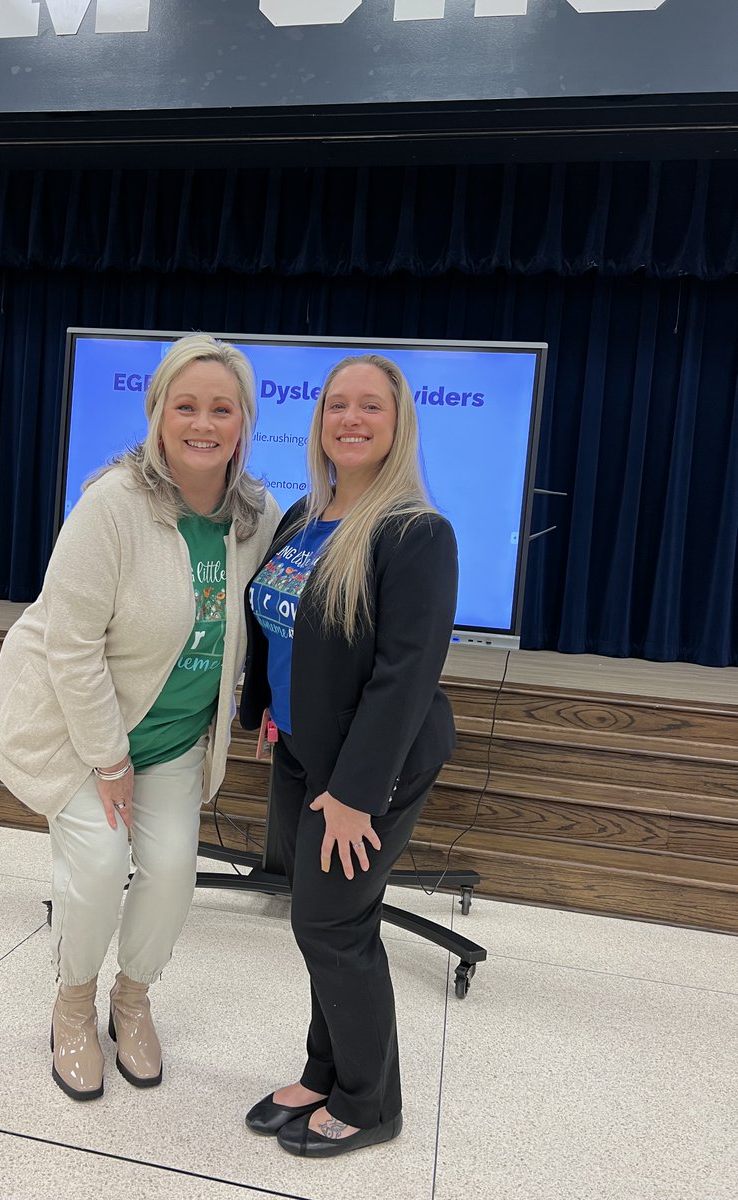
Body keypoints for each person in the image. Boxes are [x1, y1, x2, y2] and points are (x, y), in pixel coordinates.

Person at [0, 333, 280, 1101]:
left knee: (174, 872)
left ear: (244, 422)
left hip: (177, 738)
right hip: (84, 735)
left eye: (222, 407)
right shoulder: (111, 505)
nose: (203, 422)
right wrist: (110, 761)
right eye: (185, 405)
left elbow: (260, 623)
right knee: (96, 868)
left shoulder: (255, 514)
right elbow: (71, 643)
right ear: (157, 414)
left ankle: (133, 999)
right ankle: (73, 1006)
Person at [240, 353, 458, 1157]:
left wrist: (357, 792)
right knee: (319, 923)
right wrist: (270, 715)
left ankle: (371, 1102)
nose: (351, 418)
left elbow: (405, 676)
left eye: (371, 405)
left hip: (370, 769)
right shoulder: (305, 515)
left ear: (398, 423)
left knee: (332, 926)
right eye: (337, 405)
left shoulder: (416, 532)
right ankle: (323, 1070)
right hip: (306, 753)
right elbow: (289, 630)